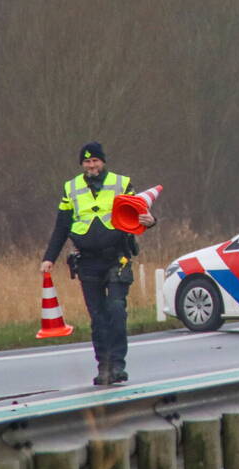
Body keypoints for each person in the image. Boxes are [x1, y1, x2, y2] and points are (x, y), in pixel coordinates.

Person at [41, 141, 156, 385]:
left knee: (115, 310)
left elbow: (140, 212)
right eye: (87, 161)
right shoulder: (70, 188)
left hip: (117, 257)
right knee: (98, 317)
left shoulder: (121, 183)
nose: (91, 165)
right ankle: (103, 367)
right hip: (88, 261)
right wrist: (49, 257)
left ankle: (117, 365)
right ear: (82, 164)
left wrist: (150, 221)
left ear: (103, 162)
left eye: (95, 161)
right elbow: (62, 225)